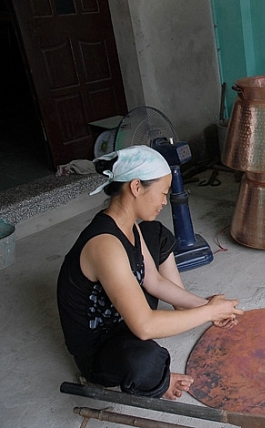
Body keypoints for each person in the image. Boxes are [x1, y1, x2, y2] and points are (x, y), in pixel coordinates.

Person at [57, 145, 243, 400]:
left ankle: (184, 312)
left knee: (155, 231)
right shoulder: (105, 245)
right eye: (162, 193)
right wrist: (208, 312)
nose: (165, 201)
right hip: (102, 346)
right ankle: (157, 382)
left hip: (121, 315)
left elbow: (153, 280)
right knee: (146, 360)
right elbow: (144, 326)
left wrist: (206, 307)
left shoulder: (127, 224)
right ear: (136, 187)